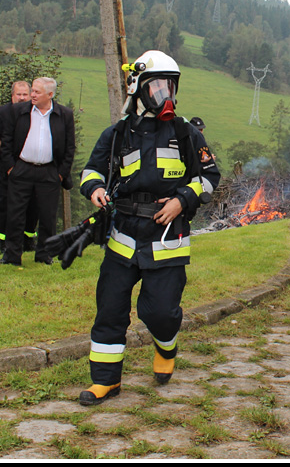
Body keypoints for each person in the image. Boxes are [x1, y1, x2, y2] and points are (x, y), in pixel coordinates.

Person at [77, 50, 220, 406]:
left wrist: (182, 200)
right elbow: (91, 170)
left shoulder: (187, 134)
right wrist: (94, 189)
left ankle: (166, 347)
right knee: (110, 309)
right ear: (138, 90)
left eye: (169, 86)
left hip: (167, 238)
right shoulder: (117, 134)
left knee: (159, 312)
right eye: (156, 86)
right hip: (123, 236)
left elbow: (210, 177)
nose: (164, 94)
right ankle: (105, 382)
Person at [0, 77, 75, 266]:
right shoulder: (18, 111)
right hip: (21, 169)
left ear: (50, 95)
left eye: (37, 92)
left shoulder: (64, 114)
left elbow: (70, 147)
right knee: (15, 214)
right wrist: (11, 168)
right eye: (32, 91)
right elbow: (6, 141)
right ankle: (12, 255)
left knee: (48, 216)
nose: (32, 95)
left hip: (49, 172)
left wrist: (61, 173)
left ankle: (44, 255)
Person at [0, 80, 39, 253]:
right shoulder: (4, 112)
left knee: (34, 204)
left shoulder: (38, 113)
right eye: (18, 94)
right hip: (9, 166)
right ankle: (4, 243)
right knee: (7, 205)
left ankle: (28, 240)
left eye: (25, 94)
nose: (22, 98)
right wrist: (0, 145)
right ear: (12, 96)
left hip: (34, 166)